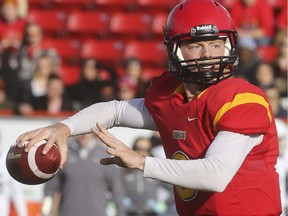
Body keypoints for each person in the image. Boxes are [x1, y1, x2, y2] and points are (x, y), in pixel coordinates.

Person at [16, 0, 282, 215]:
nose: (208, 54)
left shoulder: (243, 99)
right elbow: (115, 111)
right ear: (175, 51)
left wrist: (141, 162)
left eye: (215, 44)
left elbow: (216, 175)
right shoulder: (172, 98)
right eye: (196, 45)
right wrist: (64, 127)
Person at [40, 134, 126, 216]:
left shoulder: (105, 156)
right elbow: (50, 189)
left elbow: (117, 191)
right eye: (80, 131)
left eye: (86, 131)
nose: (83, 135)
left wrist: (120, 213)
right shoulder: (64, 154)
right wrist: (45, 211)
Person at [121, 136, 172, 216]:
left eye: (146, 150)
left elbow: (173, 190)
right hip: (129, 213)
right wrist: (120, 201)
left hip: (150, 213)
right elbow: (111, 189)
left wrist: (164, 204)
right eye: (139, 148)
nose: (142, 152)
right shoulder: (123, 171)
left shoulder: (156, 172)